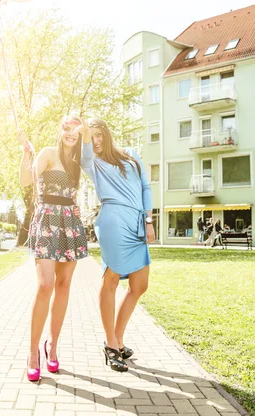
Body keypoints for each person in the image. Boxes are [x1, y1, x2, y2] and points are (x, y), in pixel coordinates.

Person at [80, 117, 155, 372]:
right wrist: (84, 134)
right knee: (111, 279)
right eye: (92, 136)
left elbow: (145, 187)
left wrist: (149, 219)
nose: (97, 140)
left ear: (107, 134)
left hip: (136, 220)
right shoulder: (93, 163)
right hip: (112, 220)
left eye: (100, 134)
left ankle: (118, 338)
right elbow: (86, 154)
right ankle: (112, 344)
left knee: (140, 284)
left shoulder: (131, 155)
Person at [18, 117, 88, 382]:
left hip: (70, 223)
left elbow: (72, 194)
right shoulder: (48, 153)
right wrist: (25, 153)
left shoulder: (77, 162)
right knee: (46, 284)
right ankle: (33, 351)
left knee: (64, 284)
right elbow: (27, 180)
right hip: (47, 220)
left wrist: (77, 206)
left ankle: (53, 346)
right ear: (60, 130)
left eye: (76, 130)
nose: (71, 133)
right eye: (67, 128)